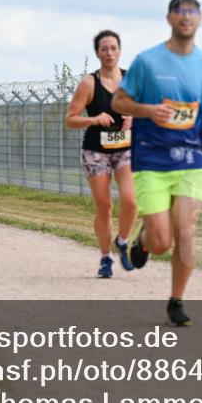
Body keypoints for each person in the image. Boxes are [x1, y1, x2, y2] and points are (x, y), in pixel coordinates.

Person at [112, 0, 202, 325]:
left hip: (191, 163)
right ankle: (145, 240)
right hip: (151, 162)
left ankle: (176, 300)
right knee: (161, 242)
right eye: (180, 12)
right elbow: (118, 101)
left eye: (192, 12)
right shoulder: (147, 62)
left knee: (186, 231)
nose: (186, 17)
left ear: (198, 19)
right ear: (170, 18)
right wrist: (147, 110)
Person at [66, 30, 138, 278]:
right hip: (96, 151)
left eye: (114, 48)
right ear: (97, 52)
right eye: (104, 48)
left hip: (125, 149)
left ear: (120, 50)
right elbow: (71, 119)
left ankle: (123, 240)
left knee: (130, 200)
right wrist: (94, 119)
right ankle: (105, 257)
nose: (110, 53)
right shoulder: (89, 83)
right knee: (104, 205)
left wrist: (133, 117)